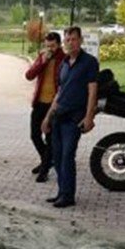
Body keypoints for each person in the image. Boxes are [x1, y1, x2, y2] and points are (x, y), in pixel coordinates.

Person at [42, 26, 99, 208]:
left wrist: (89, 117)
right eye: (67, 40)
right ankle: (61, 191)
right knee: (57, 157)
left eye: (74, 39)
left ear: (80, 40)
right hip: (58, 116)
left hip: (74, 118)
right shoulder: (64, 63)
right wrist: (47, 117)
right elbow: (59, 92)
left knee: (67, 156)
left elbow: (92, 91)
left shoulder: (89, 62)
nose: (70, 43)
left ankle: (68, 195)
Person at [24, 31, 65, 182]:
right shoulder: (43, 56)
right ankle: (46, 160)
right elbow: (29, 75)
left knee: (50, 138)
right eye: (47, 46)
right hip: (39, 102)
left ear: (59, 45)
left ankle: (45, 169)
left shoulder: (64, 59)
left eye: (53, 46)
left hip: (54, 105)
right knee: (34, 135)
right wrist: (43, 62)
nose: (50, 49)